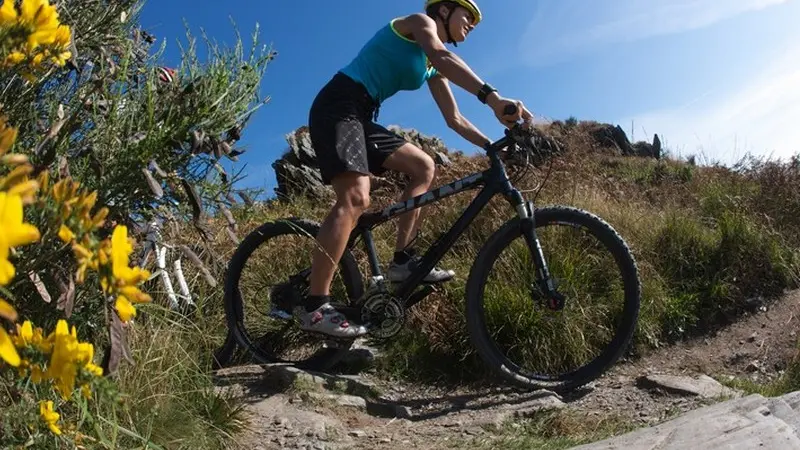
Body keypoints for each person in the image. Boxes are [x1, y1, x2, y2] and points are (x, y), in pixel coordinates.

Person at [297, 0, 534, 338]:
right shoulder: (417, 23)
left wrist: (491, 145)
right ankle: (314, 307)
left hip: (362, 116)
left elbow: (454, 119)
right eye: (468, 17)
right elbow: (442, 56)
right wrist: (494, 99)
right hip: (337, 105)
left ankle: (402, 261)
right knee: (354, 198)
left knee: (424, 166)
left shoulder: (429, 65)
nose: (472, 25)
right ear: (444, 11)